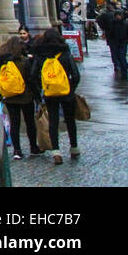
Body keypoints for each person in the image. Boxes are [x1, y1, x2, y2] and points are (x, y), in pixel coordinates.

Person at [33, 26, 81, 164]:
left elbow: (33, 75)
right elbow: (76, 74)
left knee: (53, 121)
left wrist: (41, 89)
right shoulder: (65, 53)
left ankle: (56, 152)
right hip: (66, 92)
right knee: (70, 120)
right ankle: (74, 147)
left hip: (49, 93)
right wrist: (71, 88)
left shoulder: (40, 54)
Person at [0, 35, 41, 159]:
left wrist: (0, 95)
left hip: (10, 97)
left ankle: (17, 150)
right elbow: (31, 80)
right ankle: (33, 147)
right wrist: (37, 97)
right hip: (25, 96)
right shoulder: (24, 61)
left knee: (15, 123)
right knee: (30, 122)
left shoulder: (2, 62)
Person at [97, 3, 127, 78]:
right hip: (121, 42)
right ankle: (123, 68)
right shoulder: (123, 23)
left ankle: (118, 66)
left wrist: (104, 29)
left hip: (114, 41)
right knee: (121, 56)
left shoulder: (107, 18)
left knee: (115, 54)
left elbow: (99, 21)